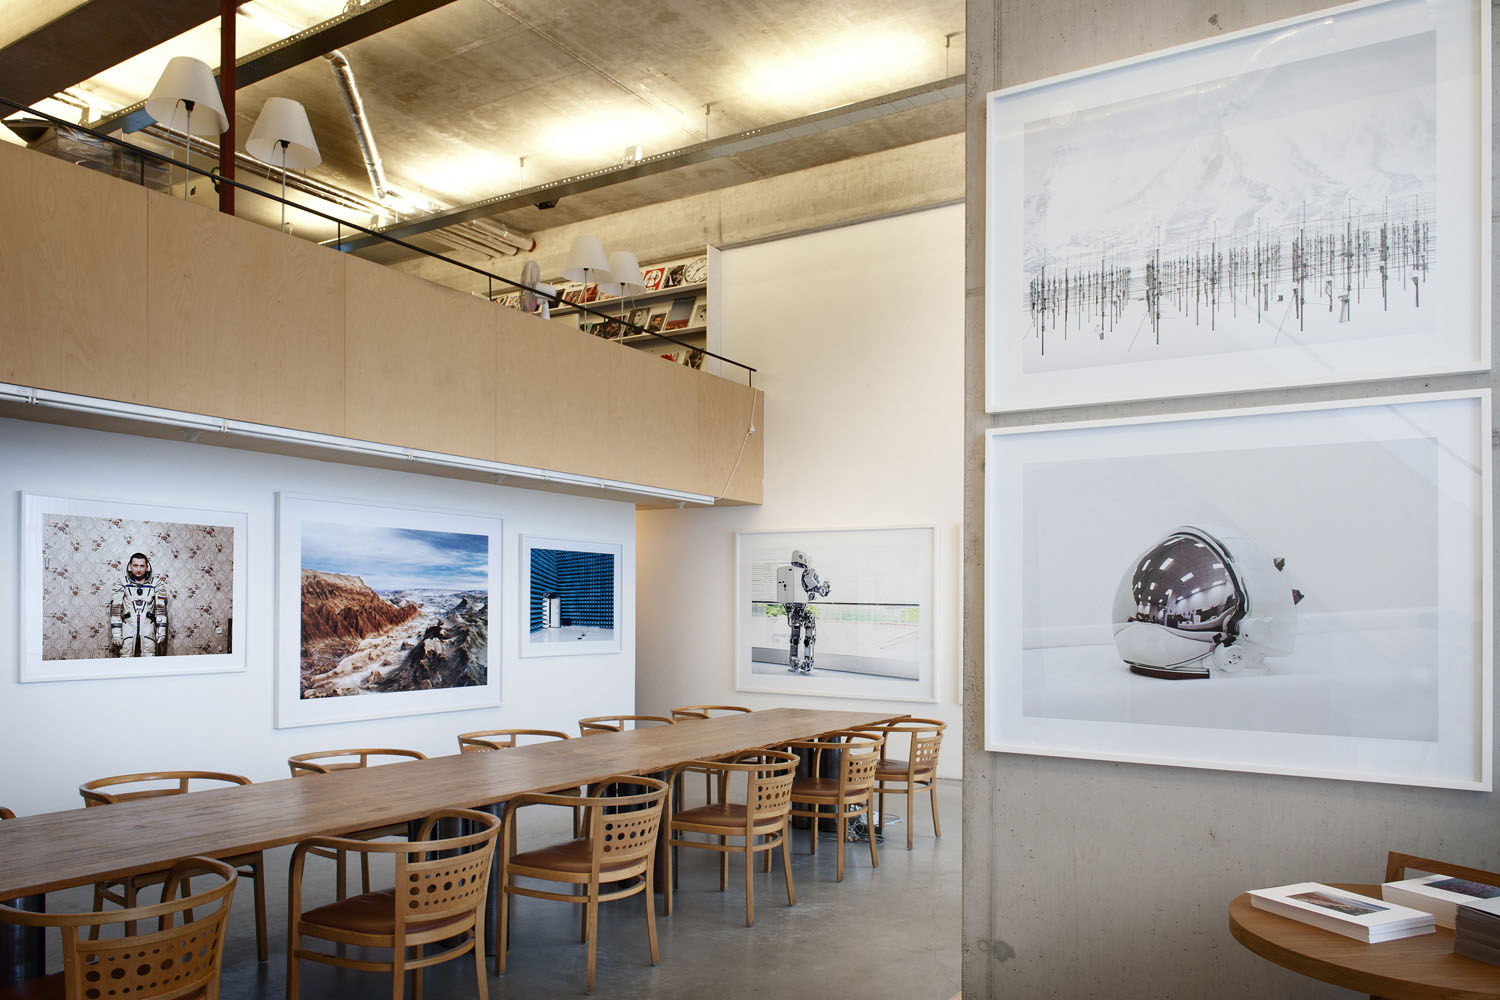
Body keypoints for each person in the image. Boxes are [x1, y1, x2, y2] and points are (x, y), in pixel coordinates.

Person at [780, 549, 830, 675]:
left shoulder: (787, 573)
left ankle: (793, 660)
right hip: (802, 609)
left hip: (793, 609)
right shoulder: (807, 573)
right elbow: (821, 591)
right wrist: (826, 586)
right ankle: (808, 661)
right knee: (809, 635)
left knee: (794, 636)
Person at [109, 552, 168, 657]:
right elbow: (115, 610)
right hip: (128, 628)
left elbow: (161, 609)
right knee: (125, 659)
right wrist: (116, 633)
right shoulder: (121, 583)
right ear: (130, 566)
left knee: (149, 659)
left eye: (142, 566)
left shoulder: (156, 584)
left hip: (148, 628)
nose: (139, 569)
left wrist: (161, 630)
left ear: (147, 567)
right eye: (135, 565)